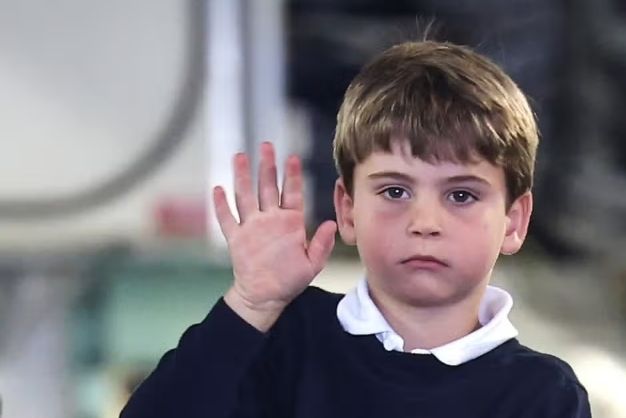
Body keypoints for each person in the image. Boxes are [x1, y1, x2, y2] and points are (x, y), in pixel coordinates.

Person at [120, 40, 591, 418]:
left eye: (461, 196)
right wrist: (250, 304)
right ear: (347, 211)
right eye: (395, 192)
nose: (425, 223)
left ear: (514, 222)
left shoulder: (543, 394)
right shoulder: (287, 338)